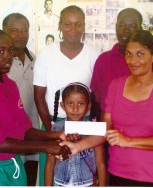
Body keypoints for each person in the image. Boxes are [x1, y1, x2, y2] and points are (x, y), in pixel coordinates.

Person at [0, 26, 71, 186]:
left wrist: (56, 135)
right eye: (1, 51)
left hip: (12, 165)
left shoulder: (10, 85)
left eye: (10, 50)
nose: (8, 57)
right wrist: (47, 146)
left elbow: (24, 130)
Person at [104, 30, 153, 186]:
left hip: (151, 176)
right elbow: (105, 129)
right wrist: (77, 144)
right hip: (117, 171)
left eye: (140, 54)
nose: (133, 61)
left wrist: (128, 141)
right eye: (129, 54)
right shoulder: (115, 85)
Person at [33, 5, 101, 186]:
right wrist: (52, 131)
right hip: (54, 123)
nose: (73, 29)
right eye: (68, 24)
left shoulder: (93, 55)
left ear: (84, 26)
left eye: (78, 24)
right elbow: (39, 96)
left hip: (85, 125)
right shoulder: (46, 54)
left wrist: (89, 126)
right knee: (53, 172)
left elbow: (97, 96)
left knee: (85, 174)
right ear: (60, 26)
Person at [90, 8, 153, 121]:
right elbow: (97, 100)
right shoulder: (103, 60)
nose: (127, 30)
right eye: (122, 25)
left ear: (140, 29)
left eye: (132, 26)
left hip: (146, 131)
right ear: (116, 27)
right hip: (110, 130)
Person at [2, 12, 40, 186]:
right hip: (9, 141)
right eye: (14, 30)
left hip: (31, 137)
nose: (21, 35)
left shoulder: (35, 59)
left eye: (25, 30)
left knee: (30, 180)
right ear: (4, 32)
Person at [45, 83, 107, 186]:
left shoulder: (95, 130)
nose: (75, 109)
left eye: (80, 104)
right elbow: (50, 163)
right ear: (63, 105)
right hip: (60, 183)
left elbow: (101, 164)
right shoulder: (56, 129)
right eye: (70, 103)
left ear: (89, 105)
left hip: (87, 183)